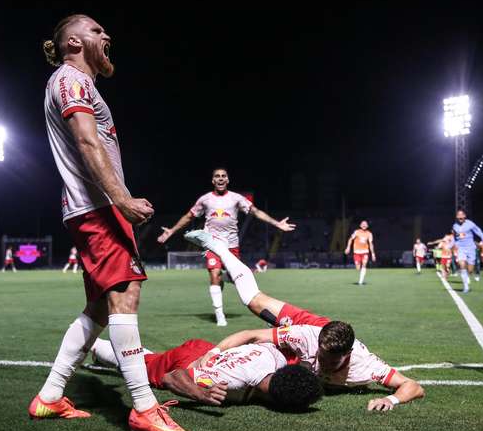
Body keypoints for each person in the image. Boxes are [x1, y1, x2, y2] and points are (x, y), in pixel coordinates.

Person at [31, 14, 192, 431]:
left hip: (91, 207)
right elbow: (86, 141)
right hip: (97, 208)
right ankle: (143, 408)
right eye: (97, 31)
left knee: (101, 308)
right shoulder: (70, 80)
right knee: (125, 295)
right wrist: (119, 198)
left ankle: (49, 395)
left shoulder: (79, 84)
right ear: (73, 42)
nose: (107, 36)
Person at [184, 229, 425, 411]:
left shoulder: (367, 366)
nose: (324, 362)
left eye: (330, 360)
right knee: (254, 300)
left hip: (319, 335)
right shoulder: (309, 338)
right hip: (310, 326)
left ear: (347, 354)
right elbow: (251, 334)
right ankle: (219, 247)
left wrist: (390, 399)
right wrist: (214, 352)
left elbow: (413, 386)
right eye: (322, 356)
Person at [157, 168, 296, 326]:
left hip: (232, 245)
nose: (220, 178)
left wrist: (277, 223)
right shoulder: (205, 199)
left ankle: (228, 280)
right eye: (217, 176)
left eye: (223, 176)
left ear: (228, 180)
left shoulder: (236, 198)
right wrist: (172, 231)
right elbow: (189, 216)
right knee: (214, 273)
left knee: (237, 280)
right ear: (213, 181)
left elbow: (255, 212)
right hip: (212, 243)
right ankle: (219, 316)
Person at [89, 336, 322, 411]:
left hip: (207, 349)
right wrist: (202, 395)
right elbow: (173, 377)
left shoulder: (276, 357)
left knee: (149, 357)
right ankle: (95, 345)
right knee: (139, 365)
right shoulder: (229, 383)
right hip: (187, 361)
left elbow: (257, 338)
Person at [452, 209, 483, 293]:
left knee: (470, 270)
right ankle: (466, 287)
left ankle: (468, 275)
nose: (460, 216)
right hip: (461, 249)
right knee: (462, 265)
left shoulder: (470, 224)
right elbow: (454, 238)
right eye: (458, 215)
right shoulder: (455, 226)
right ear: (457, 217)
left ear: (464, 216)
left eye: (462, 215)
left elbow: (480, 233)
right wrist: (451, 246)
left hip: (471, 249)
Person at [344, 220, 376, 285]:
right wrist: (348, 247)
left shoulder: (369, 234)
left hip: (365, 252)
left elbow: (371, 244)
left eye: (365, 224)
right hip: (356, 252)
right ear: (360, 225)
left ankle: (360, 282)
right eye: (363, 224)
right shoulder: (356, 232)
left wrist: (373, 254)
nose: (364, 225)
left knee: (364, 264)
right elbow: (350, 239)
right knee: (358, 268)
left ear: (367, 226)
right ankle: (360, 276)